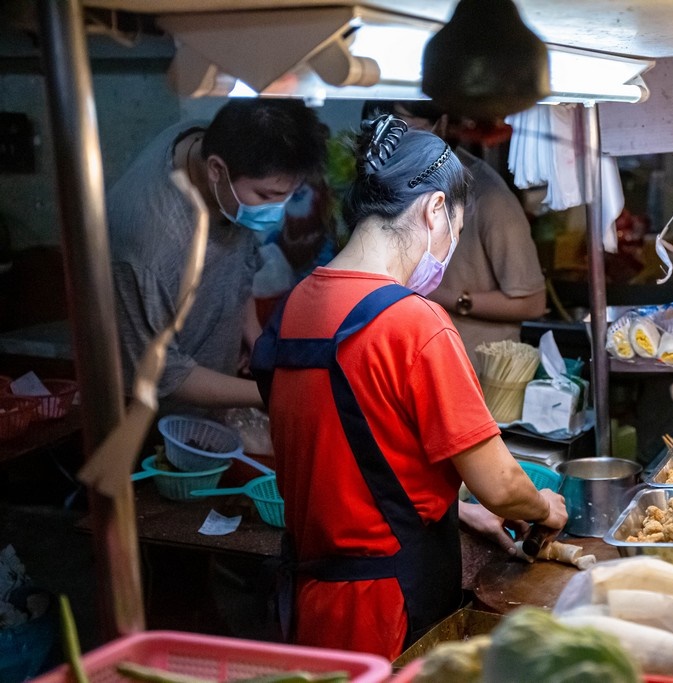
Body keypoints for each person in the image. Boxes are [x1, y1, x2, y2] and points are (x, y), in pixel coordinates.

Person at [251, 115, 567, 658]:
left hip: (311, 601)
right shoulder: (413, 322)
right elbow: (500, 484)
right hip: (388, 611)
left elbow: (350, 454)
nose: (446, 256)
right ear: (435, 208)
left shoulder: (296, 306)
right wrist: (543, 508)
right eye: (457, 234)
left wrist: (453, 507)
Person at [107, 99, 326, 413]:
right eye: (266, 196)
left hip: (215, 384)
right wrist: (275, 394)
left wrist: (254, 337)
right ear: (216, 169)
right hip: (156, 419)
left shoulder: (202, 140)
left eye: (288, 195)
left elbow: (239, 258)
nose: (277, 209)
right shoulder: (148, 246)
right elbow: (163, 375)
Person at [362, 100, 547, 374]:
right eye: (384, 123)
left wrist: (446, 296)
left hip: (475, 375)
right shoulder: (378, 189)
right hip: (407, 370)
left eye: (405, 121)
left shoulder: (488, 196)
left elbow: (532, 301)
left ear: (442, 123)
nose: (394, 133)